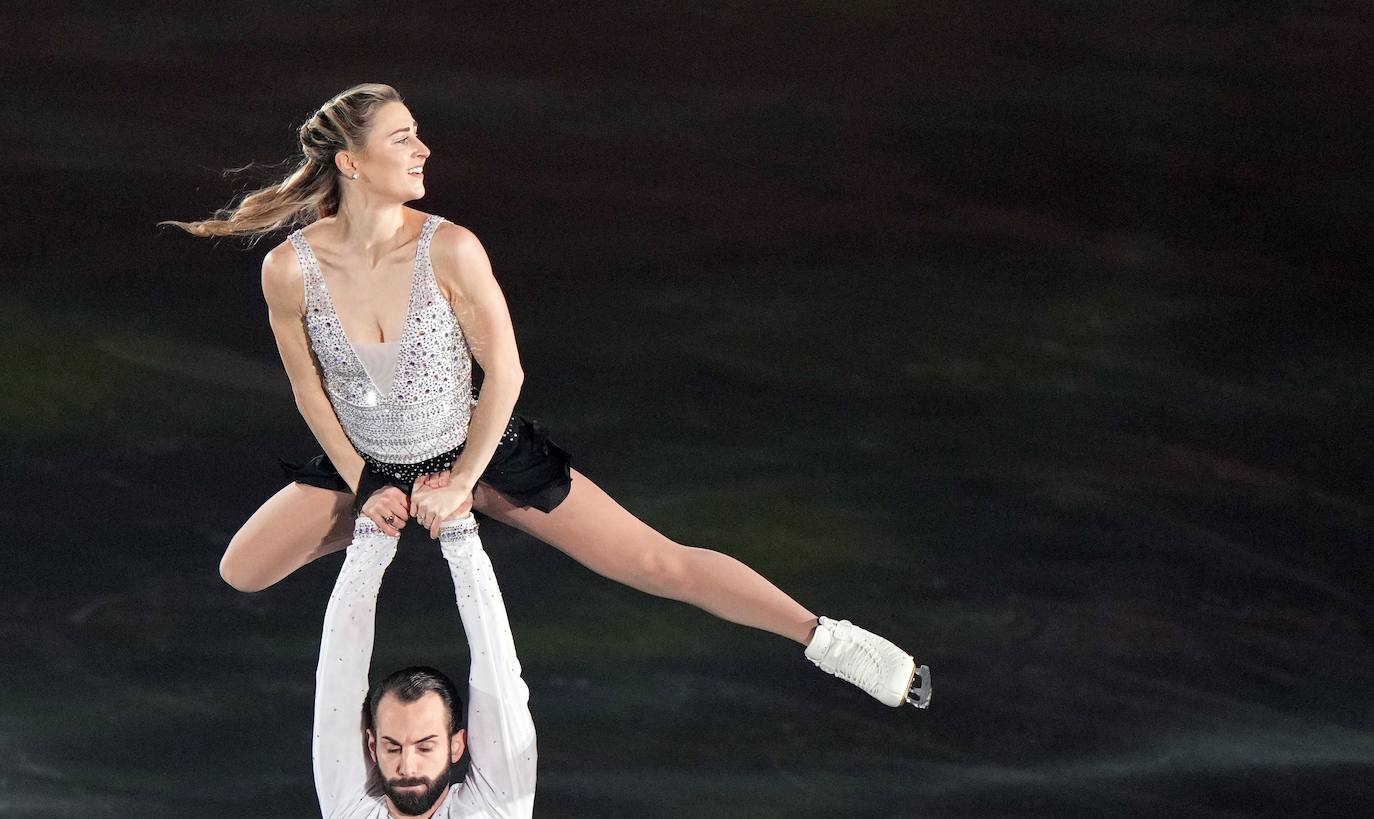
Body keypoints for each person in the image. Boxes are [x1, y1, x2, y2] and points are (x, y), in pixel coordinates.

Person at [160, 82, 932, 711]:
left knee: (655, 562)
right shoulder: (289, 269)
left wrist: (461, 481)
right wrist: (368, 487)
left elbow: (507, 373)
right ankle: (388, 518)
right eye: (403, 138)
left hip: (477, 454)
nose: (423, 149)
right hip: (366, 460)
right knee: (243, 569)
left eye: (418, 134)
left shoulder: (450, 248)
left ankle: (834, 641)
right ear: (351, 162)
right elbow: (309, 389)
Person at [314, 511, 535, 819]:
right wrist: (373, 536)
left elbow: (497, 670)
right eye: (393, 747)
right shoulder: (350, 816)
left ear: (456, 744)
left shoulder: (494, 812)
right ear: (372, 746)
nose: (407, 766)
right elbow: (338, 675)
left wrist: (458, 533)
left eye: (425, 746)